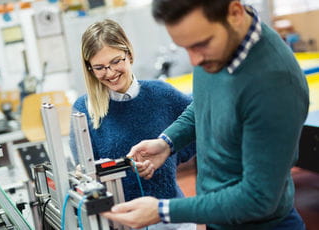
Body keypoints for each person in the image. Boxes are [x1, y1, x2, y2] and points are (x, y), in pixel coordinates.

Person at [103, 1, 309, 230]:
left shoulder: (274, 83)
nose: (194, 61)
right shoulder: (216, 48)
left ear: (235, 13)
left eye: (200, 45)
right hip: (220, 219)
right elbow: (204, 104)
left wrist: (164, 211)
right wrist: (168, 142)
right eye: (186, 48)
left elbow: (258, 198)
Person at [69, 19, 196, 229]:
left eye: (116, 61)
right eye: (99, 67)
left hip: (170, 218)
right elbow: (86, 171)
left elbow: (198, 127)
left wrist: (168, 153)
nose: (109, 73)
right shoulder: (84, 109)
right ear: (89, 68)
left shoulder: (162, 93)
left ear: (128, 53)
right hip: (121, 222)